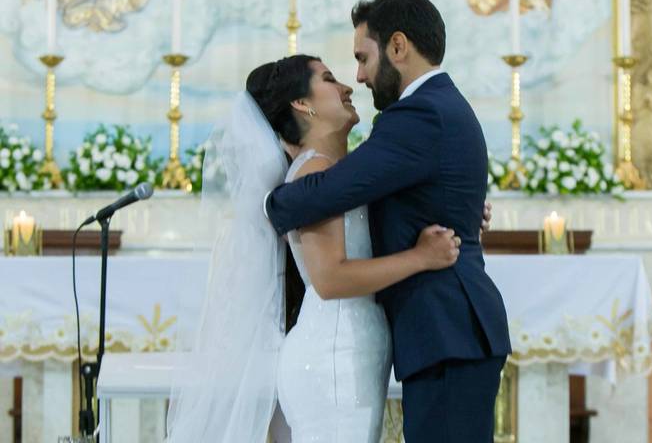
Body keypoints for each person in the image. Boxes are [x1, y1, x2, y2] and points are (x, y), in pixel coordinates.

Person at [166, 54, 462, 443]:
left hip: (352, 350)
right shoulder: (314, 173)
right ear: (302, 105)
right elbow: (330, 278)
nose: (347, 87)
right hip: (333, 354)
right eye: (329, 79)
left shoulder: (341, 172)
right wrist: (420, 258)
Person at [265, 0, 512, 442]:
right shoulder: (435, 107)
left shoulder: (418, 114)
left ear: (398, 47)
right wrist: (451, 211)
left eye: (363, 58)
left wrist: (271, 202)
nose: (358, 77)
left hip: (447, 332)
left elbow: (335, 191)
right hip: (443, 335)